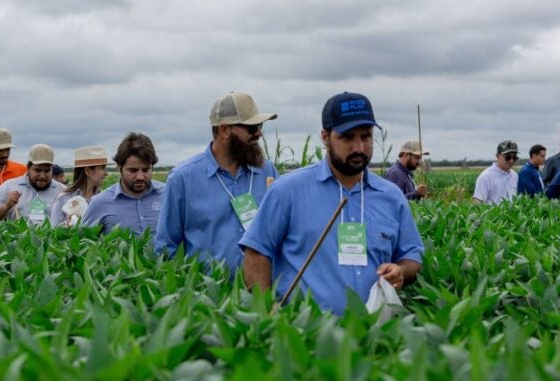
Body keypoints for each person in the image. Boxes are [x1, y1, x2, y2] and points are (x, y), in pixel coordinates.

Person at [240, 91, 423, 315]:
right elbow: (257, 253)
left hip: (374, 334)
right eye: (347, 137)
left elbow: (412, 255)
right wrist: (265, 312)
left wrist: (401, 271)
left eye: (365, 136)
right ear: (325, 137)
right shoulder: (287, 190)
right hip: (305, 336)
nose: (359, 147)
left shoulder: (391, 196)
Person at [155, 91, 278, 273]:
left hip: (261, 295)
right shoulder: (182, 179)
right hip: (208, 296)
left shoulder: (267, 172)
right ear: (224, 130)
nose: (259, 133)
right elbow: (167, 248)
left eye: (260, 126)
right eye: (252, 128)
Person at [81, 132, 166, 237]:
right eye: (133, 170)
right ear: (119, 167)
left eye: (145, 170)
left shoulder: (167, 194)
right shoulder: (100, 203)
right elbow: (85, 241)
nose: (140, 176)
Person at [0, 144, 65, 225]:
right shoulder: (9, 186)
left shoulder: (62, 192)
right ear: (28, 168)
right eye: (38, 170)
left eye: (47, 171)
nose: (42, 176)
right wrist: (6, 206)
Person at [50, 146, 111, 226]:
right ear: (88, 171)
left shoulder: (105, 199)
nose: (106, 174)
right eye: (103, 168)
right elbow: (54, 230)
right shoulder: (63, 198)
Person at [472, 140, 519, 205]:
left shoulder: (515, 175)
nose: (511, 161)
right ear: (497, 156)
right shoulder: (486, 177)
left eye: (514, 157)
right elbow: (477, 203)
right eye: (507, 157)